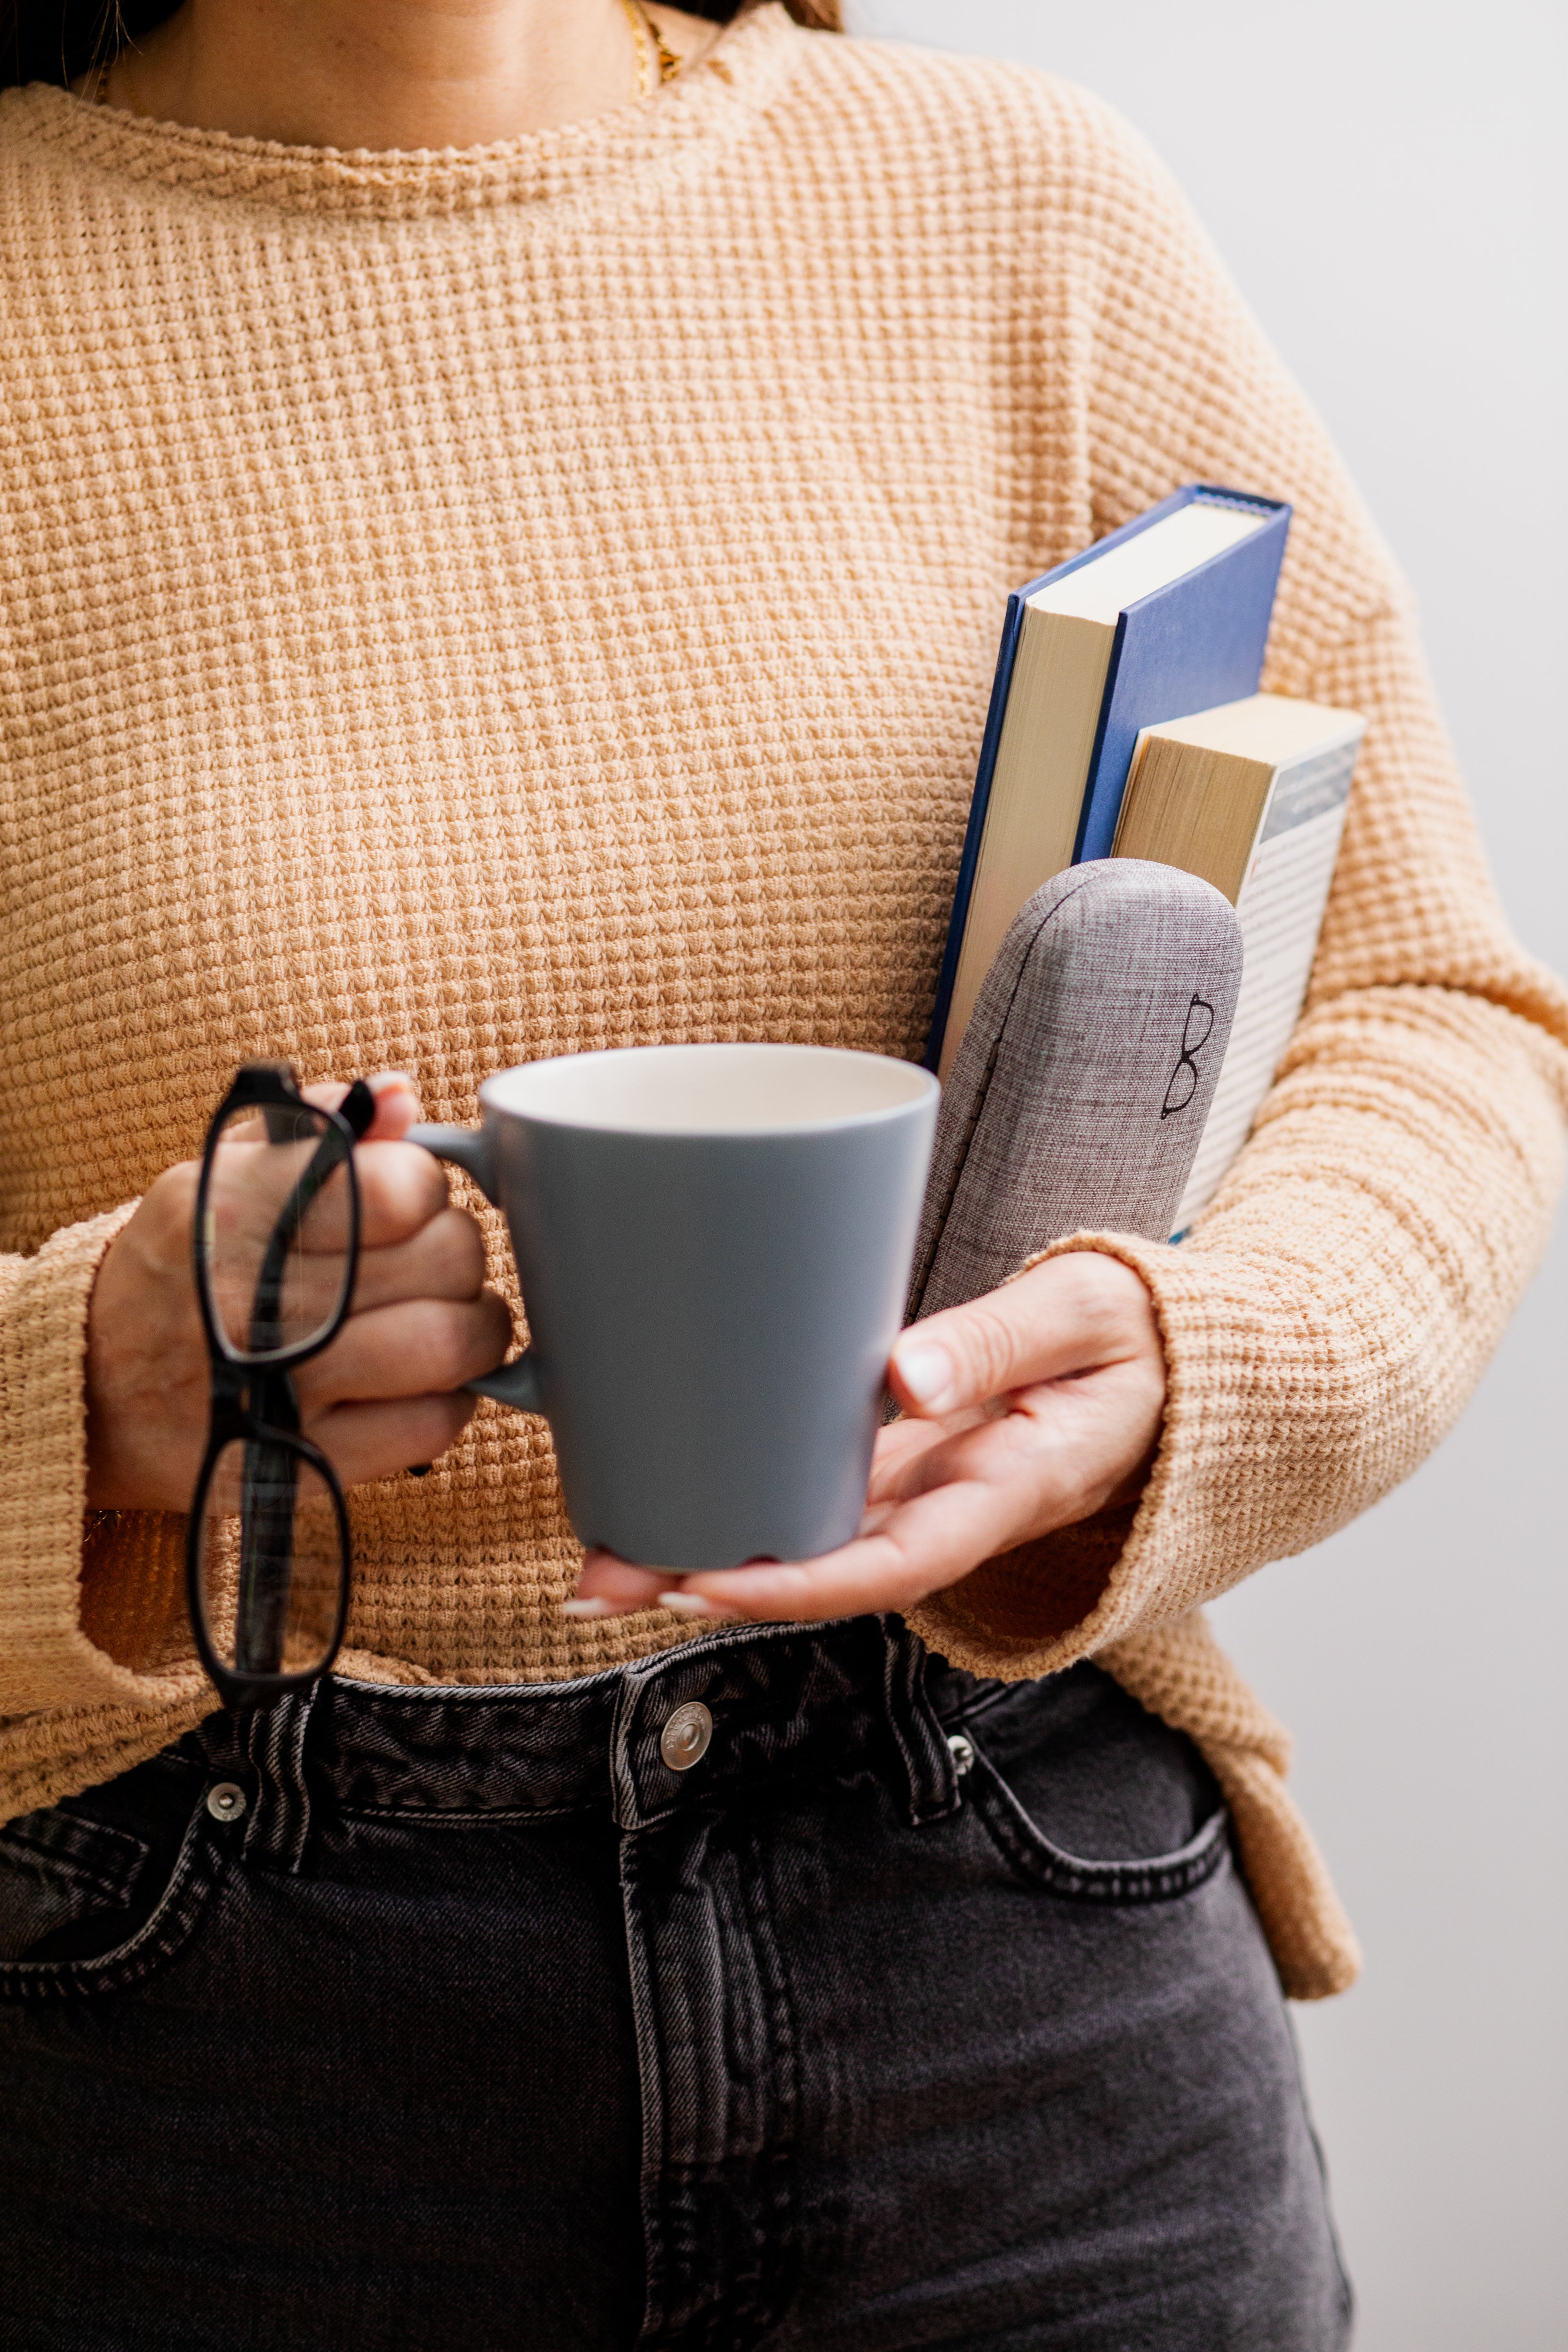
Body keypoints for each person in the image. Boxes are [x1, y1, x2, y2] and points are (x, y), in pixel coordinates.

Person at [0, 1, 1562, 2344]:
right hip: (195, 2044)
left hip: (1016, 1953)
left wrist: (1181, 1345)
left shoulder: (1018, 209)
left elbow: (1426, 1016)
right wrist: (81, 1384)